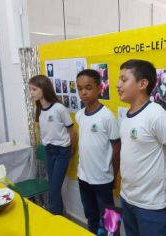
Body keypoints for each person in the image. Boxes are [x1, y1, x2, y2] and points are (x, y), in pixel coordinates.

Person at [117, 59, 166, 236]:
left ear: (142, 83)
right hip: (128, 197)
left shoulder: (156, 115)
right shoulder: (126, 116)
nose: (117, 85)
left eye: (124, 79)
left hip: (151, 204)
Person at [75, 69, 121, 234]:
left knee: (110, 222)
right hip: (83, 177)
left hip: (102, 179)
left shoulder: (107, 117)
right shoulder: (80, 115)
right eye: (80, 88)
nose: (84, 92)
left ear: (100, 88)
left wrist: (114, 175)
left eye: (88, 87)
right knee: (91, 217)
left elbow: (117, 150)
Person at [29, 74, 75, 215]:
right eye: (30, 89)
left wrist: (69, 150)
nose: (31, 93)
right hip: (49, 150)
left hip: (62, 151)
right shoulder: (40, 109)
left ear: (43, 88)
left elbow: (72, 131)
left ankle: (54, 216)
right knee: (52, 186)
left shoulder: (59, 108)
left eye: (34, 89)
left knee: (54, 187)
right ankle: (58, 215)